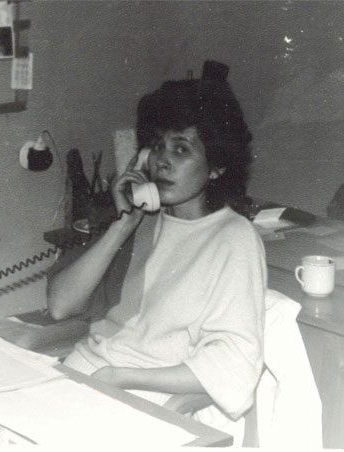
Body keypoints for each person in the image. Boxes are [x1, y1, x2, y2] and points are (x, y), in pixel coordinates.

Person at [46, 61, 267, 440]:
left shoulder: (233, 237)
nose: (162, 160)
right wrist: (122, 225)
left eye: (181, 149)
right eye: (159, 146)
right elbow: (60, 306)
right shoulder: (142, 220)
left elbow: (235, 366)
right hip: (82, 380)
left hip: (141, 397)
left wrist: (122, 376)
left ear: (216, 167)